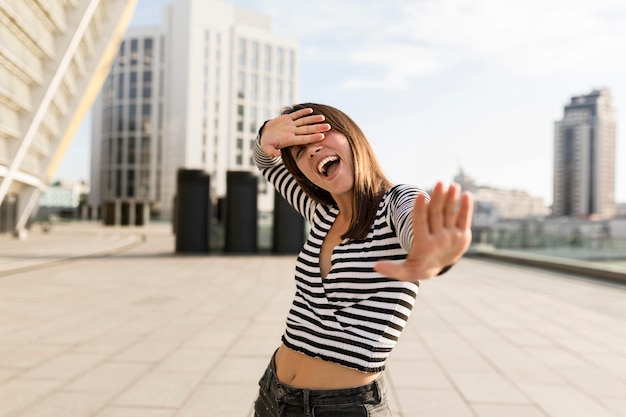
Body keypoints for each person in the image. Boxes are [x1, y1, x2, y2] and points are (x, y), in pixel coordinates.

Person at [253, 103, 473, 417]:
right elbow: (267, 163)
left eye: (321, 135)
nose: (312, 151)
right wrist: (265, 134)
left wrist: (432, 253)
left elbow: (417, 226)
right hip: (273, 392)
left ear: (353, 136)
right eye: (300, 151)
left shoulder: (396, 202)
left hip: (343, 408)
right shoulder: (321, 213)